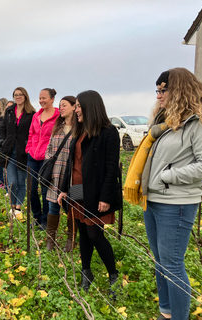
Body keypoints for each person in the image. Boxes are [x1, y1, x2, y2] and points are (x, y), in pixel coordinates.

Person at [124, 68, 202, 320]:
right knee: (161, 261)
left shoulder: (200, 120)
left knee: (173, 265)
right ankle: (166, 313)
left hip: (176, 203)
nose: (158, 96)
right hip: (153, 199)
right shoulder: (165, 121)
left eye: (162, 90)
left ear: (178, 89)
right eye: (157, 90)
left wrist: (166, 176)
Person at [57, 90, 121, 298]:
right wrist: (65, 189)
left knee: (95, 233)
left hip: (95, 191)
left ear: (90, 106)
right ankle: (87, 272)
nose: (75, 110)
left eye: (78, 106)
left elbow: (112, 169)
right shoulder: (79, 131)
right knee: (82, 230)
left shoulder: (108, 132)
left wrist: (105, 197)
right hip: (77, 188)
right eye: (75, 106)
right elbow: (72, 163)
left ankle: (114, 276)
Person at [0, 87, 36, 216]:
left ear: (25, 96)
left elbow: (33, 132)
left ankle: (18, 208)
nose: (18, 97)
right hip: (10, 151)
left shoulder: (31, 113)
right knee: (12, 182)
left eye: (20, 94)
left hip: (23, 152)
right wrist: (2, 142)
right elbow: (3, 129)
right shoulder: (9, 111)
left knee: (21, 182)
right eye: (16, 95)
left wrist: (29, 146)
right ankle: (12, 206)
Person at [45, 96, 76, 251]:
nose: (61, 108)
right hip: (56, 173)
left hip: (72, 174)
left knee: (72, 206)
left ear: (73, 107)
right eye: (60, 105)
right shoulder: (58, 126)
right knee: (52, 206)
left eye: (64, 105)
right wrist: (50, 160)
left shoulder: (81, 128)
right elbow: (49, 147)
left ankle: (71, 240)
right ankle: (50, 240)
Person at [26, 88, 60, 230]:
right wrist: (29, 149)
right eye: (39, 98)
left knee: (46, 190)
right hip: (33, 157)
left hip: (48, 159)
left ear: (52, 99)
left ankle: (46, 219)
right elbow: (31, 134)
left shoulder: (59, 116)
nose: (41, 101)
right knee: (31, 189)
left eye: (44, 98)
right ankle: (37, 217)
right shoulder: (36, 116)